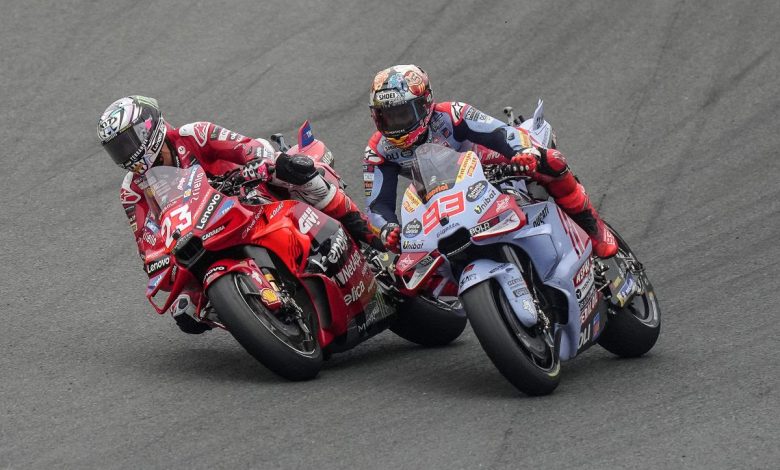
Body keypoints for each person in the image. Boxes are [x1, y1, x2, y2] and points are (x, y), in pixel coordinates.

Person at [98, 95, 381, 333]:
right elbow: (146, 241)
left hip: (247, 196)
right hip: (197, 236)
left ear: (148, 129)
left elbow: (246, 147)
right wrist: (157, 260)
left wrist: (265, 164)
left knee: (299, 173)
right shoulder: (132, 190)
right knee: (183, 310)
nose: (124, 155)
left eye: (127, 143)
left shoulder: (194, 134)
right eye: (116, 150)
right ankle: (254, 314)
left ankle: (367, 232)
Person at [363, 65, 618, 258]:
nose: (396, 124)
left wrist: (524, 152)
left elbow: (501, 133)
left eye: (403, 114)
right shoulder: (379, 149)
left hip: (488, 165)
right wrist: (388, 229)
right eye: (388, 117)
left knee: (550, 162)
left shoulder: (452, 114)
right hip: (438, 197)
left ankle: (591, 225)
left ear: (425, 103)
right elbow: (377, 206)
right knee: (405, 258)